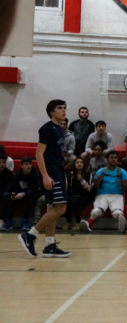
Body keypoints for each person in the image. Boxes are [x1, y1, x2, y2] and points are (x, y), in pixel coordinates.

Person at [19, 100, 71, 257]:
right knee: (61, 208)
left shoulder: (59, 129)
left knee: (52, 208)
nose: (63, 111)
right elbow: (39, 153)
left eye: (64, 108)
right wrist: (45, 175)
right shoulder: (47, 128)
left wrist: (64, 175)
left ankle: (49, 245)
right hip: (51, 171)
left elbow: (56, 154)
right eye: (60, 108)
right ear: (51, 112)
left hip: (58, 170)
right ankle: (30, 235)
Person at [80, 151, 127, 233]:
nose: (114, 159)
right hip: (102, 195)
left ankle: (121, 224)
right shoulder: (101, 171)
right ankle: (89, 224)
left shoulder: (122, 172)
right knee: (97, 211)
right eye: (111, 157)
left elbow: (126, 189)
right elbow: (94, 188)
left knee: (117, 212)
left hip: (117, 195)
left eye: (115, 158)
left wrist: (122, 184)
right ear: (107, 159)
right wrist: (97, 181)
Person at [1, 156, 41, 231]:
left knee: (28, 198)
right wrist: (14, 194)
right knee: (11, 197)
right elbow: (14, 187)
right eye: (26, 164)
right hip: (19, 195)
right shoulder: (17, 175)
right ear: (22, 166)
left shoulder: (35, 175)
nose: (28, 166)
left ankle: (25, 221)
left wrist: (23, 194)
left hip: (30, 196)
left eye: (29, 164)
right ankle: (9, 221)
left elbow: (33, 189)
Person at [64, 158, 93, 230]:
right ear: (74, 164)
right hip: (73, 195)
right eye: (77, 162)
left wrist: (82, 180)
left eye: (81, 162)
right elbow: (68, 188)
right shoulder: (70, 174)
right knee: (67, 200)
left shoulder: (88, 174)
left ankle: (78, 223)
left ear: (84, 164)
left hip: (85, 196)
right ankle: (69, 222)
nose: (79, 164)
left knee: (75, 201)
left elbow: (89, 189)